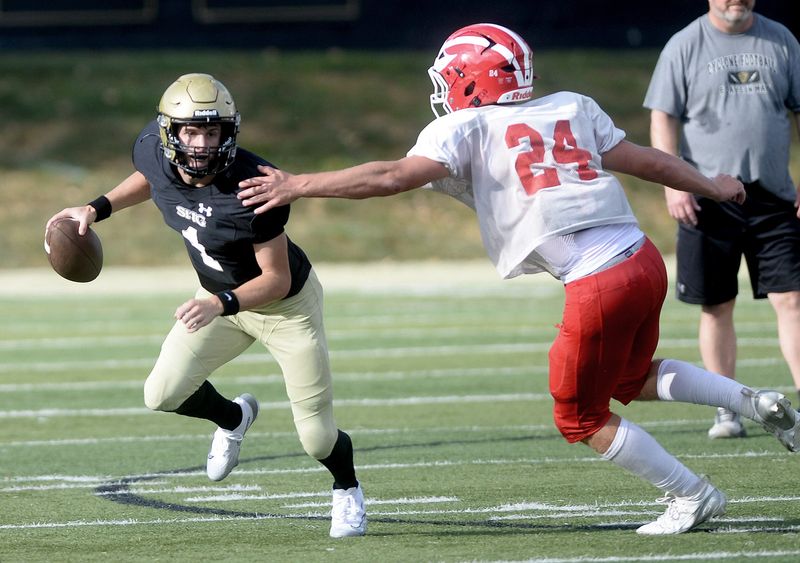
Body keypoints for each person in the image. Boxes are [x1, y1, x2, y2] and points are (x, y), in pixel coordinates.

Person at [236, 23, 800, 535]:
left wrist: (299, 184)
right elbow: (648, 161)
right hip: (642, 256)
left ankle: (691, 495)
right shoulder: (572, 106)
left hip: (596, 278)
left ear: (469, 80)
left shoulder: (465, 126)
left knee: (578, 415)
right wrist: (711, 185)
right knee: (631, 377)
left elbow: (388, 177)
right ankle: (756, 402)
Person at [45, 73, 367, 538]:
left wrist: (221, 303)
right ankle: (234, 417)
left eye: (211, 131)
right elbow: (149, 178)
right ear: (170, 135)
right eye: (191, 132)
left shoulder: (257, 186)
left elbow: (275, 279)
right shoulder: (154, 152)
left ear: (228, 133)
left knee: (317, 437)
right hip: (217, 299)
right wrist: (96, 208)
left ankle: (347, 489)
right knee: (161, 393)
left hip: (284, 308)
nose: (200, 143)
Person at [644, 0, 800, 440]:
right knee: (716, 306)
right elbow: (663, 116)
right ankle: (726, 409)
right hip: (708, 196)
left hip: (773, 196)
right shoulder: (685, 44)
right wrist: (673, 183)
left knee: (792, 300)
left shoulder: (781, 39)